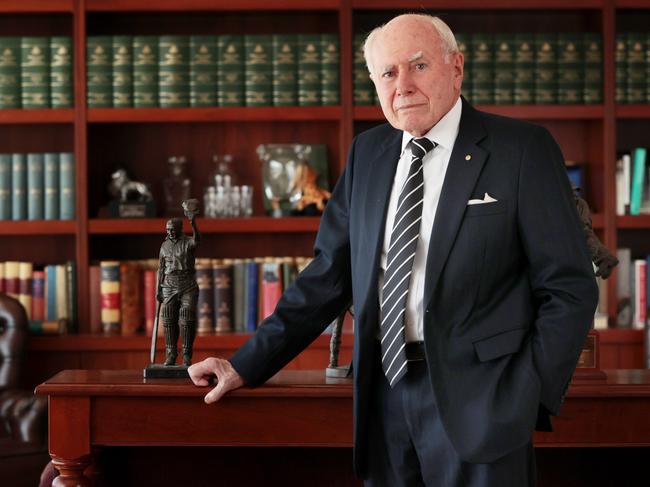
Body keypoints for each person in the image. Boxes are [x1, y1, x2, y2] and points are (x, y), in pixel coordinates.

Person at [189, 13, 598, 486]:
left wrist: (527, 393)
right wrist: (244, 364)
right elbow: (326, 277)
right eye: (387, 73)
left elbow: (568, 286)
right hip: (384, 399)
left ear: (456, 67)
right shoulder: (369, 153)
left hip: (484, 402)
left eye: (418, 66)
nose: (402, 85)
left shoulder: (521, 149)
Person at [157, 211, 200, 366]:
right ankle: (171, 353)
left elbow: (197, 240)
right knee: (168, 319)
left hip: (187, 283)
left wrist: (193, 222)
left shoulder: (188, 242)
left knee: (186, 318)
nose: (170, 232)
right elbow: (161, 268)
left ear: (180, 229)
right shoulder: (164, 245)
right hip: (169, 283)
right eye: (168, 229)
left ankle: (187, 354)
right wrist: (158, 289)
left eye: (172, 229)